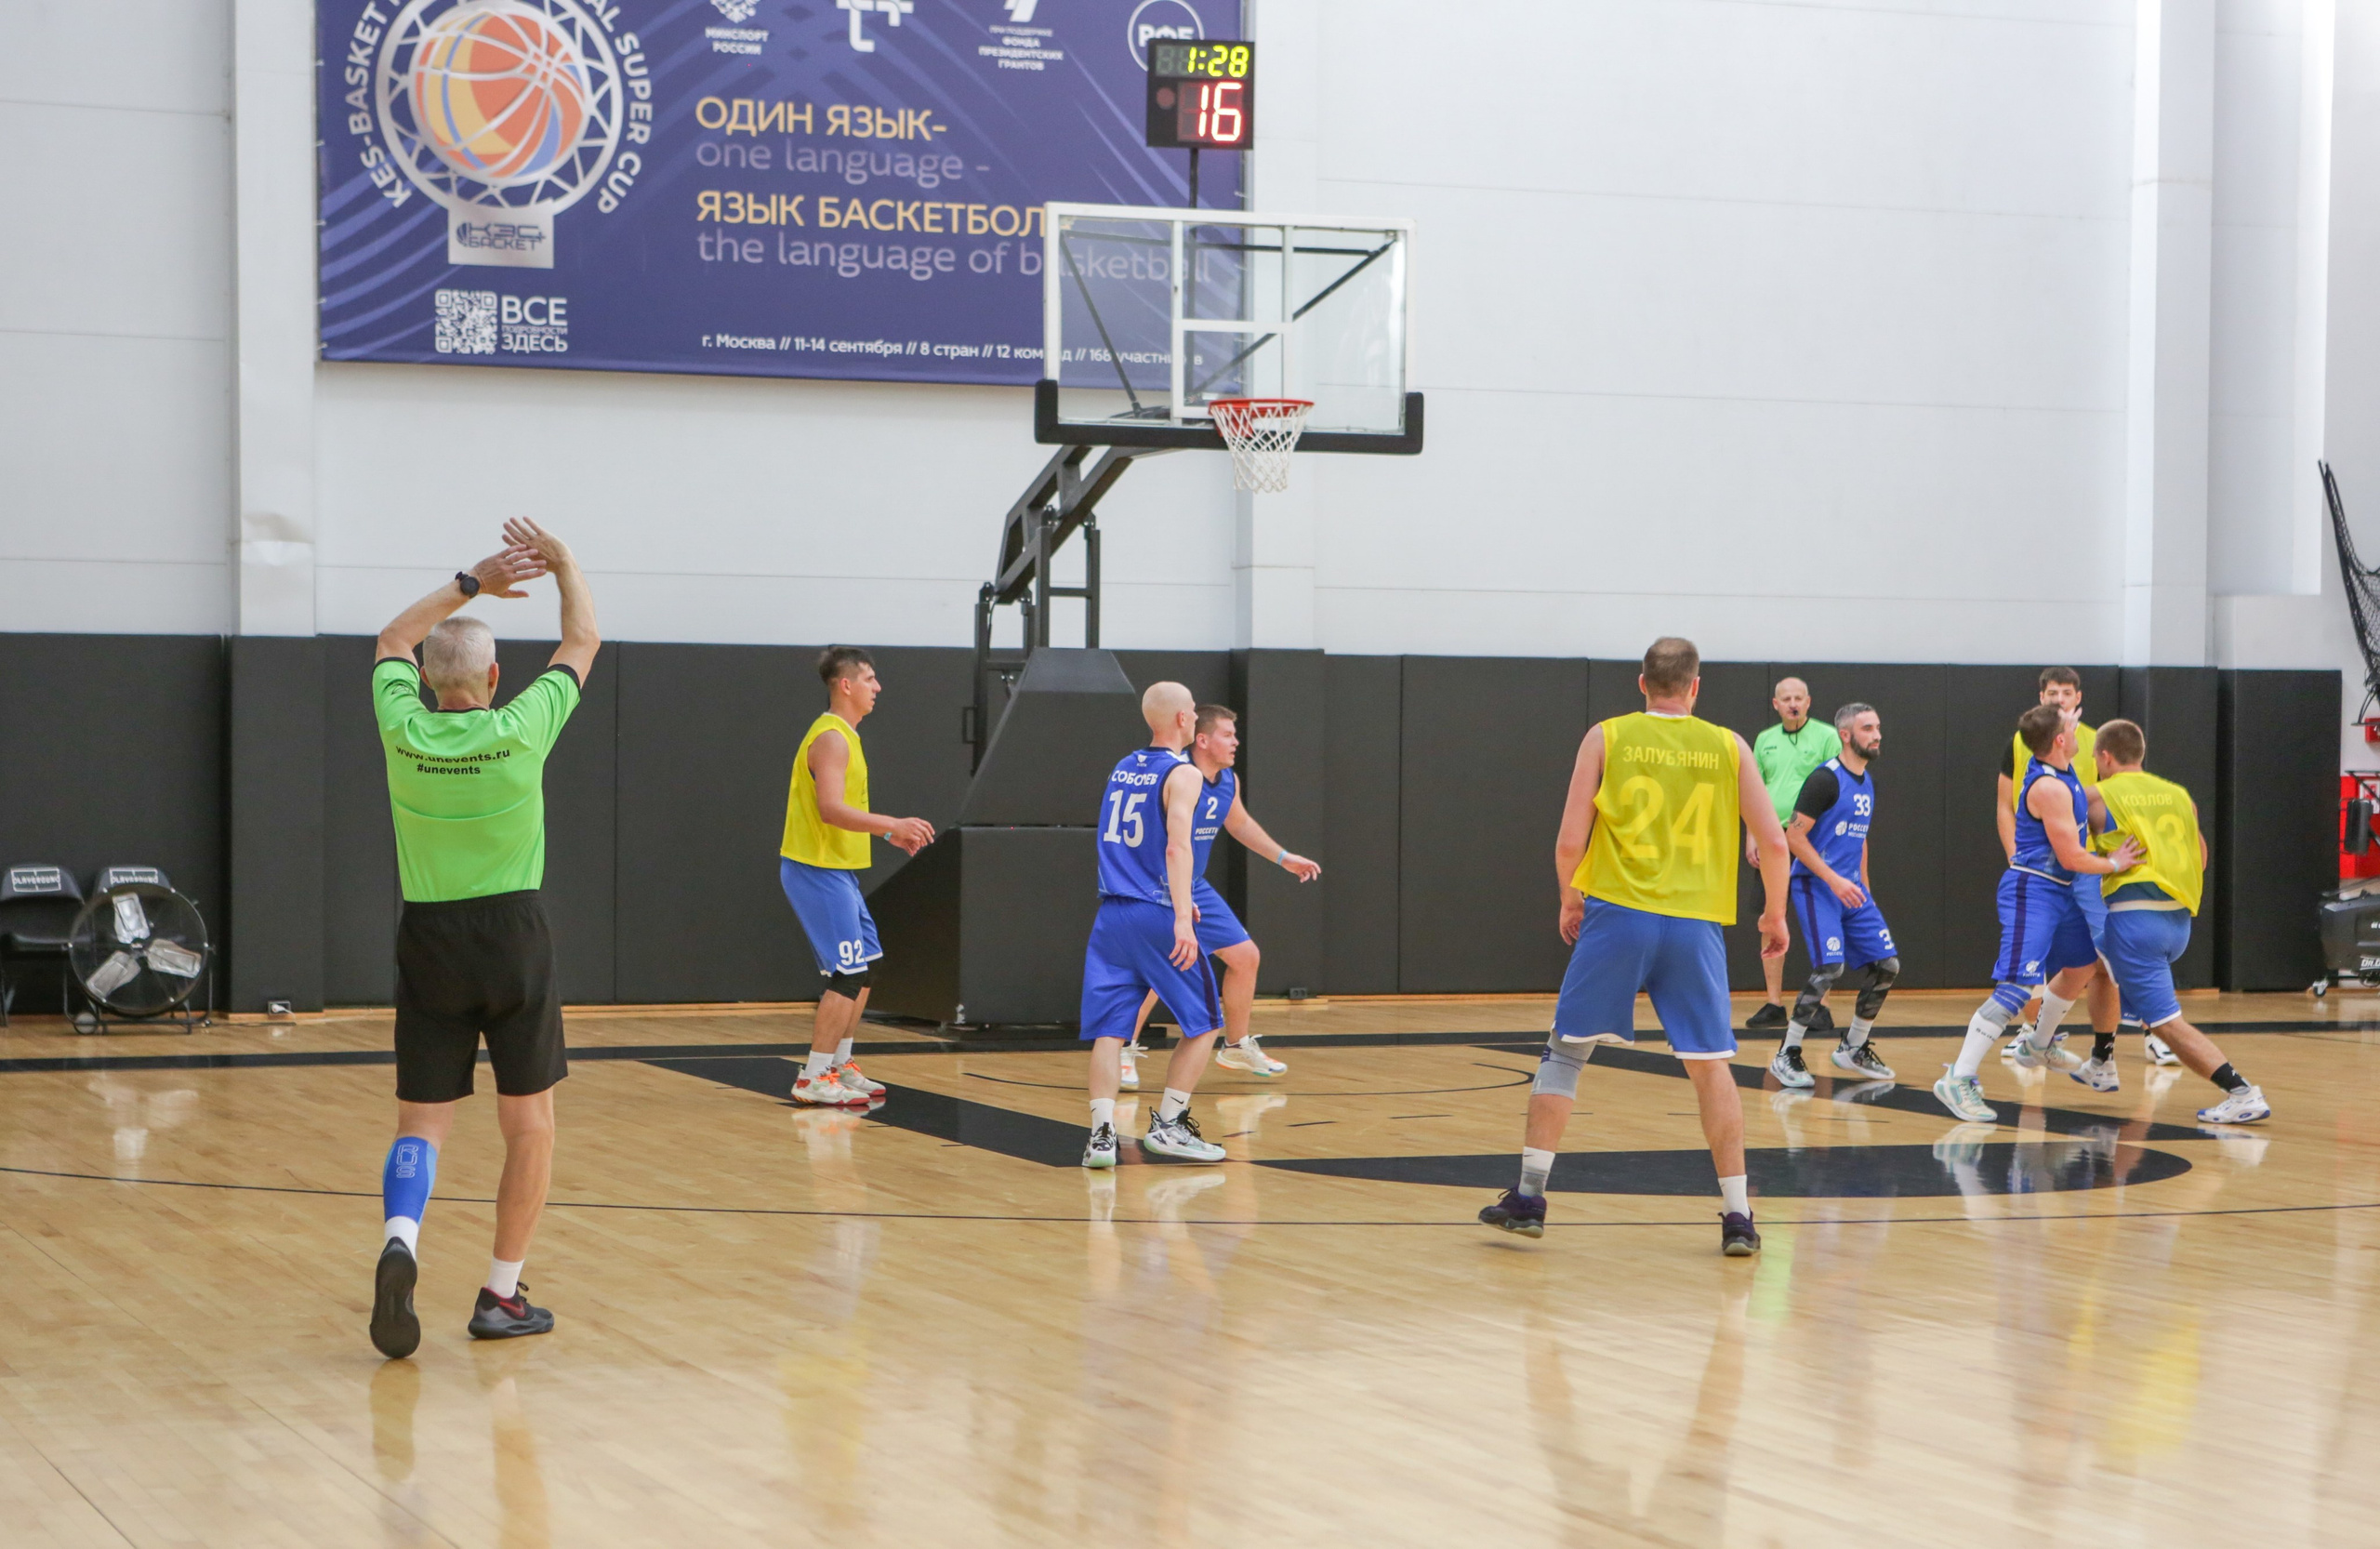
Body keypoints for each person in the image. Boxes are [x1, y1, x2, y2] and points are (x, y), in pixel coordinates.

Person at [367, 518, 599, 1359]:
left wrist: (473, 580)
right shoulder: (524, 724)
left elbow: (393, 634)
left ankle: (402, 1237)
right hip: (514, 934)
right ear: (498, 678)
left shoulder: (404, 728)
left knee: (421, 1124)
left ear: (425, 681)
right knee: (528, 1125)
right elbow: (582, 639)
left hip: (427, 935)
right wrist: (562, 563)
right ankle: (501, 1295)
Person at [1479, 638, 1790, 1255]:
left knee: (1566, 1054)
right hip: (1694, 922)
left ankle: (1530, 1197)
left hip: (1619, 912)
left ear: (1641, 683)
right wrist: (1774, 915)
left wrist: (1571, 898)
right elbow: (1774, 844)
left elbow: (1571, 839)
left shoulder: (1607, 736)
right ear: (1695, 687)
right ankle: (1738, 1216)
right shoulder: (1729, 745)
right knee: (1710, 1066)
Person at [1936, 704, 2144, 1122]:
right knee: (2015, 987)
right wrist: (2116, 864)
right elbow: (2070, 855)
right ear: (2061, 741)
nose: (2077, 726)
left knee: (2083, 964)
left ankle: (2039, 1043)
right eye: (2070, 725)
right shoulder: (2049, 787)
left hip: (2060, 891)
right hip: (2033, 890)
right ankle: (1958, 1078)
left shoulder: (2065, 770)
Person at [1116, 704, 1321, 1090]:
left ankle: (1236, 1045)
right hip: (1154, 885)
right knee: (1162, 971)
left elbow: (1239, 822)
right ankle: (1122, 1049)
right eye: (1228, 734)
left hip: (1194, 885)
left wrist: (1283, 857)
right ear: (1203, 739)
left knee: (1245, 957)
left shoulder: (1227, 781)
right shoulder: (1175, 776)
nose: (1236, 742)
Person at [2079, 721, 2268, 1120]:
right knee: (2094, 965)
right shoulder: (2180, 796)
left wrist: (2114, 862)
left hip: (2135, 923)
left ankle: (2242, 1092)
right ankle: (2101, 1059)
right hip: (2177, 922)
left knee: (2165, 1023)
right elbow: (2200, 859)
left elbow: (2064, 844)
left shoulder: (2096, 796)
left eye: (2097, 757)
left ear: (2104, 756)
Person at [1080, 682, 1235, 1169]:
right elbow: (1176, 847)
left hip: (1111, 914)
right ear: (1182, 720)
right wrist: (1184, 916)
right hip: (1155, 912)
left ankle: (1101, 1136)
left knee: (1111, 1030)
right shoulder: (1183, 773)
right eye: (1190, 712)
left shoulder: (1122, 767)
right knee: (1206, 1022)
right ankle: (1168, 1126)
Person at [781, 646, 936, 1107]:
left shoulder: (845, 735)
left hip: (837, 870)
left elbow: (842, 809)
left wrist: (884, 836)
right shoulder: (831, 738)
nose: (877, 687)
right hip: (815, 870)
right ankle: (812, 1076)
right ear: (845, 685)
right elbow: (830, 809)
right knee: (848, 972)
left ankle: (838, 1064)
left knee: (866, 967)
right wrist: (893, 824)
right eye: (869, 678)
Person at [1995, 668, 2165, 1070]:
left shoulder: (2091, 741)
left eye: (2065, 692)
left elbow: (2114, 796)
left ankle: (2153, 1032)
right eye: (2051, 692)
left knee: (2112, 953)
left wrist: (2107, 860)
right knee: (2037, 958)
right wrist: (2014, 853)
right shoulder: (2023, 741)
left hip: (2089, 867)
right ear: (2041, 696)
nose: (2058, 699)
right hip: (2044, 868)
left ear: (2078, 698)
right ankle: (2036, 1035)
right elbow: (2005, 804)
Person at [1767, 703, 1899, 1087]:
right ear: (1846, 735)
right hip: (1815, 885)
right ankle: (1786, 1053)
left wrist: (1863, 886)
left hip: (1850, 889)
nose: (1876, 734)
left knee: (1887, 966)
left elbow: (1859, 841)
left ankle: (1853, 1047)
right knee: (1830, 968)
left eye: (1877, 727)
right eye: (1867, 728)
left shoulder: (1867, 781)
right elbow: (1794, 836)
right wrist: (1833, 880)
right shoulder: (1825, 780)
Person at [1746, 678, 1836, 1033]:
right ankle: (1773, 1003)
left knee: (1819, 918)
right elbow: (1752, 790)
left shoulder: (1827, 737)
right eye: (1787, 699)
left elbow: (1837, 787)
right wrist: (1752, 835)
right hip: (1772, 840)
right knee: (1771, 917)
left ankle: (1822, 1005)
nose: (1793, 703)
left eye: (1799, 698)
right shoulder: (1765, 740)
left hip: (1813, 840)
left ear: (1809, 702)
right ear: (1776, 704)